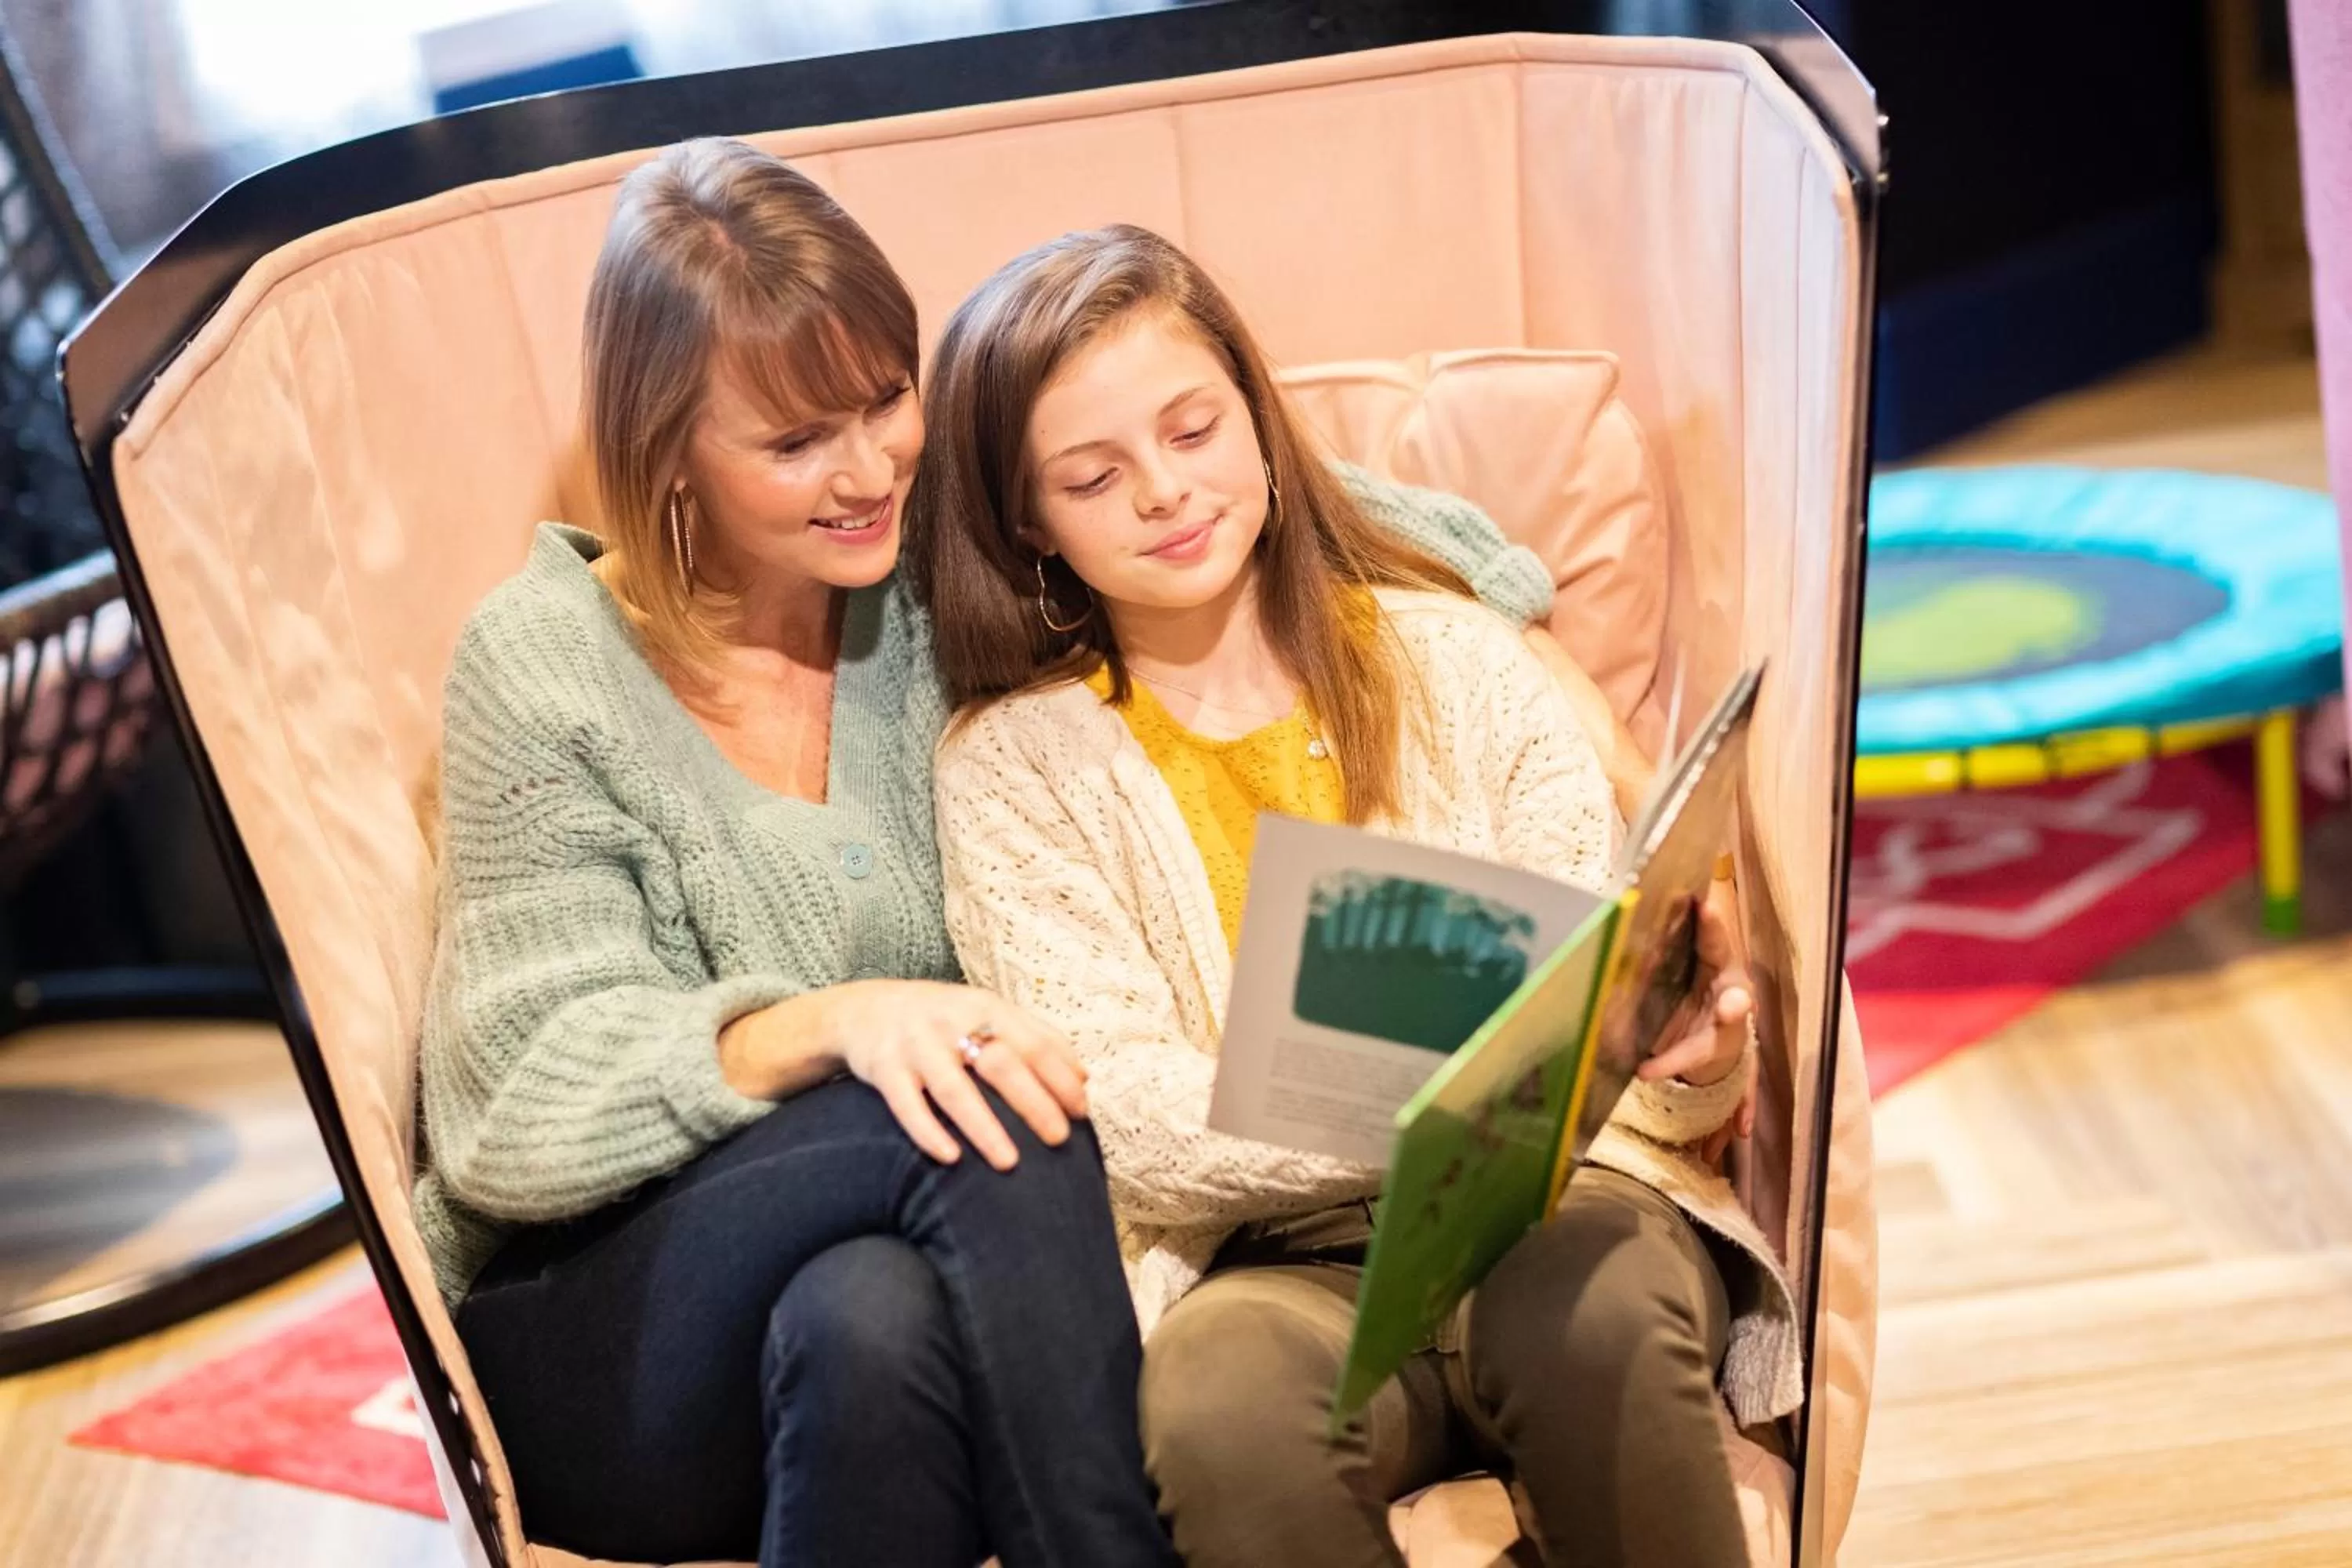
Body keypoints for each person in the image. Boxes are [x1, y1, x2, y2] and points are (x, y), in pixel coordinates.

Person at [413, 140, 1563, 1568]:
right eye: (791, 444)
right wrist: (833, 1028)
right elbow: (512, 1104)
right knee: (999, 1093)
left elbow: (1317, 523)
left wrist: (1541, 659)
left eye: (887, 400)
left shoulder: (920, 563)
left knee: (867, 1325)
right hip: (610, 1323)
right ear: (667, 460)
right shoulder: (543, 666)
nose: (865, 467)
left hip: (861, 1279)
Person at [912, 224, 1803, 1568]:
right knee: (1216, 1411)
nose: (1166, 491)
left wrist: (1695, 1054)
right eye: (1096, 477)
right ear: (1032, 523)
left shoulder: (1462, 661)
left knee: (1600, 1309)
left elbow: (1598, 998)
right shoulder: (1012, 769)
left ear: (1259, 422)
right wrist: (1451, 1096)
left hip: (1549, 1205)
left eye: (1195, 428)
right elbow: (1126, 1110)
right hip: (1265, 1262)